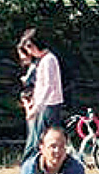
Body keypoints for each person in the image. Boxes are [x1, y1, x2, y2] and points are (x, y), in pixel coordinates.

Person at [18, 28, 64, 162]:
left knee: (38, 140)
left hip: (48, 106)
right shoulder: (43, 60)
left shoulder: (49, 60)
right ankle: (34, 168)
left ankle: (29, 167)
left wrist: (35, 108)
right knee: (39, 140)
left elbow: (48, 87)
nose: (30, 51)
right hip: (44, 105)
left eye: (30, 46)